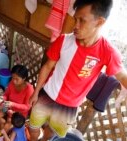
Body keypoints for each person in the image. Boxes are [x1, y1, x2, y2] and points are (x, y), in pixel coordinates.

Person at [28, 0, 127, 140]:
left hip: (69, 107)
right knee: (33, 129)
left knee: (51, 134)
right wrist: (36, 92)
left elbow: (122, 76)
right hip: (47, 95)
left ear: (99, 22)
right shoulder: (63, 41)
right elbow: (47, 66)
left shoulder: (108, 52)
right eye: (75, 19)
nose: (75, 25)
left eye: (82, 20)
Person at [0, 65, 34, 130]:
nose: (14, 81)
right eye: (13, 78)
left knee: (4, 130)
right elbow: (6, 95)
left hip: (18, 115)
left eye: (17, 79)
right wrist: (2, 98)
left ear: (24, 78)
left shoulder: (29, 89)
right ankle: (3, 119)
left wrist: (12, 104)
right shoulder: (12, 83)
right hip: (7, 108)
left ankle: (3, 120)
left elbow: (27, 107)